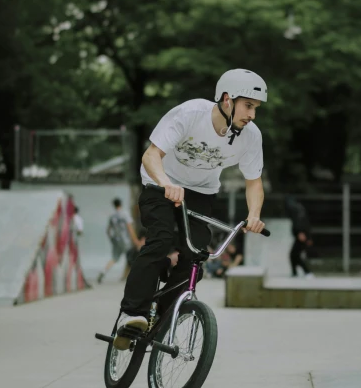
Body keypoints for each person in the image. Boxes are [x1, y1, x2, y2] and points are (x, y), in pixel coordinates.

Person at [113, 68, 267, 349]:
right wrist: (165, 183)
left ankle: (162, 317)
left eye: (256, 108)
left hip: (200, 193)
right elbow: (151, 155)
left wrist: (254, 215)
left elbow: (254, 183)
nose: (252, 115)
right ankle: (132, 313)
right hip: (159, 183)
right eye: (248, 106)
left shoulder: (250, 136)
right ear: (227, 99)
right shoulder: (190, 114)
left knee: (195, 254)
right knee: (160, 240)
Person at [97, 198, 143, 284]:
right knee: (130, 256)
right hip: (126, 240)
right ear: (121, 204)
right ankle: (127, 276)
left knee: (115, 258)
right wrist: (136, 240)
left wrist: (112, 240)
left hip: (117, 240)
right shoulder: (125, 214)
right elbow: (130, 228)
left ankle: (103, 271)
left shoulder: (112, 216)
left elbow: (108, 231)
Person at [284, 196, 315, 278]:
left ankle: (307, 272)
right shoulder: (299, 208)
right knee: (293, 255)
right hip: (302, 234)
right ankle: (295, 273)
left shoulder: (296, 209)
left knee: (295, 255)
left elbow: (300, 222)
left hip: (301, 234)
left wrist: (301, 232)